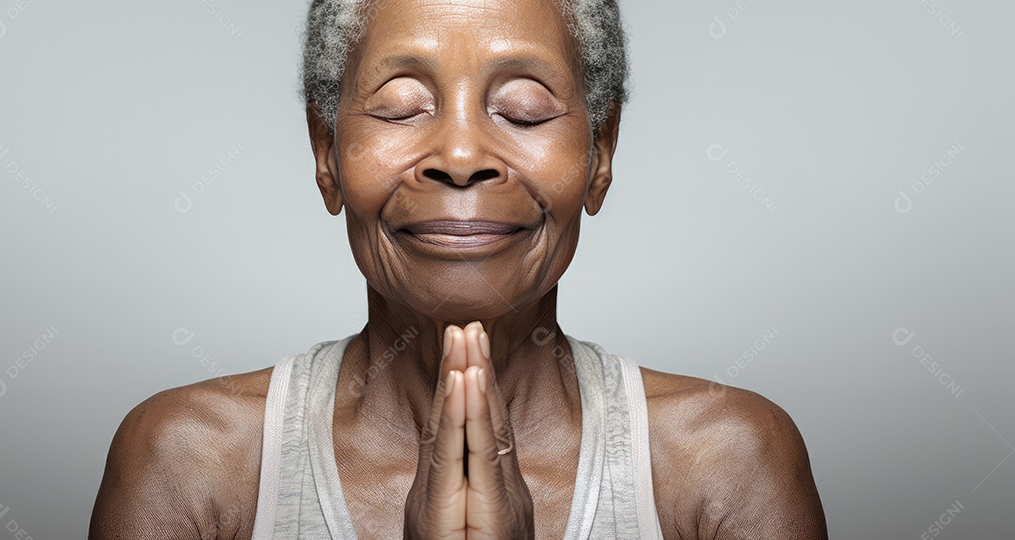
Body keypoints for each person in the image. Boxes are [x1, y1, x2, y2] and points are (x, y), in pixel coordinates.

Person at [90, 0, 827, 538]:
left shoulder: (725, 465)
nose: (463, 156)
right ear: (326, 153)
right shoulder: (191, 464)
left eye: (525, 109)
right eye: (402, 106)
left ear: (601, 154)